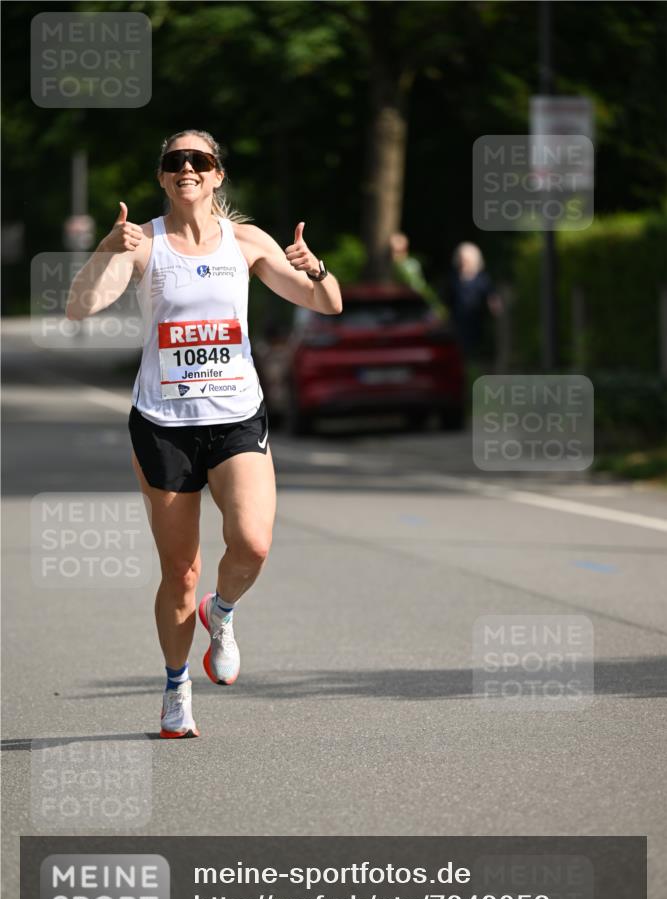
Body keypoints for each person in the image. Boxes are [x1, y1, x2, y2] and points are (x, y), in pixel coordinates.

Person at [66, 128, 342, 738]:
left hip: (236, 415)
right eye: (175, 161)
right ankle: (175, 686)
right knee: (181, 571)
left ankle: (223, 613)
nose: (187, 168)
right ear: (163, 177)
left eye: (200, 160)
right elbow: (80, 308)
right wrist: (106, 251)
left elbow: (327, 303)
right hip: (164, 423)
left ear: (218, 174)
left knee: (252, 543)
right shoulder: (145, 244)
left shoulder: (245, 241)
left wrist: (314, 267)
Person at [444, 242, 502, 360]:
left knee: (474, 349)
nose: (464, 261)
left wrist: (495, 307)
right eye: (462, 258)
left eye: (467, 258)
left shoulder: (482, 278)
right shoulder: (453, 277)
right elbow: (447, 298)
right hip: (458, 321)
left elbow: (491, 295)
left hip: (476, 320)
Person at [389, 231, 448, 321]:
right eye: (391, 250)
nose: (393, 254)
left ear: (405, 249)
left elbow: (417, 287)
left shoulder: (410, 266)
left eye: (396, 250)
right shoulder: (388, 267)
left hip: (410, 309)